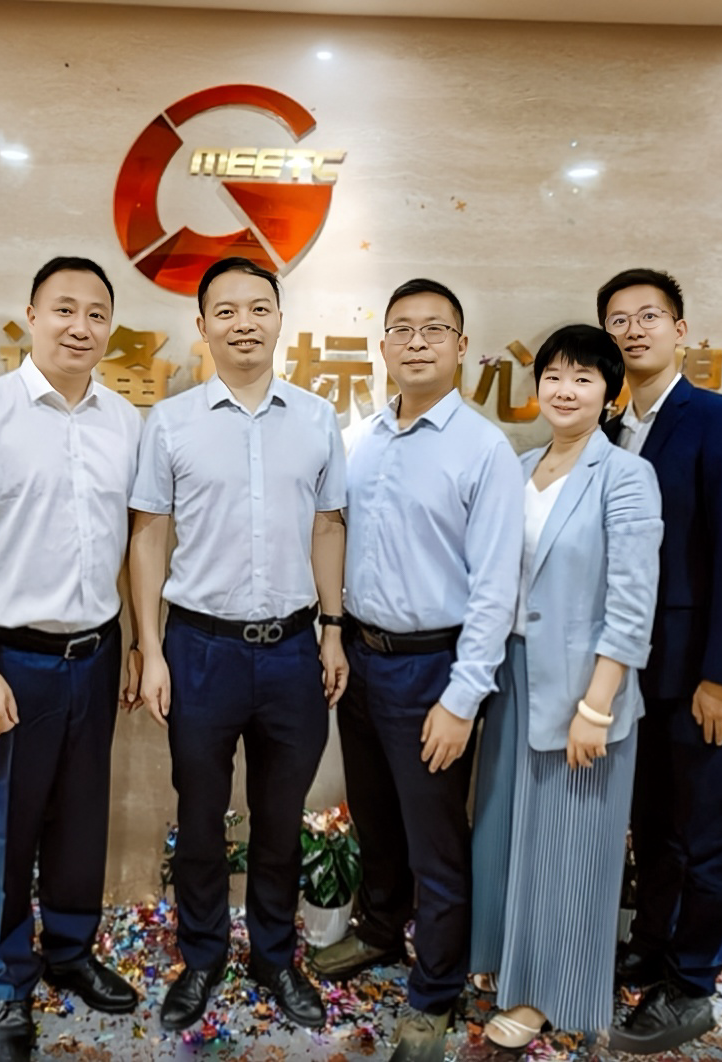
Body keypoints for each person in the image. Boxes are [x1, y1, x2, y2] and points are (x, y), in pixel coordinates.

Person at [0, 257, 143, 1062]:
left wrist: (135, 645)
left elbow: (134, 544)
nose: (80, 327)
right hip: (12, 658)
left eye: (96, 313)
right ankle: (11, 981)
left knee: (82, 819)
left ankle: (72, 952)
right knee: (8, 830)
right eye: (63, 309)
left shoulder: (125, 421)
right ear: (31, 316)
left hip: (96, 652)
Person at [128, 257, 348, 1034]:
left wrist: (331, 630)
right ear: (202, 326)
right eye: (225, 311)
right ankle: (202, 956)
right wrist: (149, 649)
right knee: (199, 816)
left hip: (291, 650)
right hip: (199, 649)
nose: (243, 323)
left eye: (259, 308)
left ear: (279, 319)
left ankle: (274, 957)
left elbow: (328, 527)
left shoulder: (316, 418)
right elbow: (147, 536)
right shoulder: (171, 422)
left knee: (280, 819)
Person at [308, 279, 521, 1062]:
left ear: (461, 347)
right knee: (375, 817)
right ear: (383, 346)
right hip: (361, 659)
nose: (417, 342)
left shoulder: (483, 450)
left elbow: (496, 588)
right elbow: (330, 536)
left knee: (435, 839)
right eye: (401, 329)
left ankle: (434, 991)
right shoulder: (357, 438)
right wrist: (334, 635)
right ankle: (377, 931)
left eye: (435, 329)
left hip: (435, 667)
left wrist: (462, 699)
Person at [468, 324, 663, 1050]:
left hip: (585, 689)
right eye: (553, 375)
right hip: (511, 677)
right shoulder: (519, 467)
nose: (564, 389)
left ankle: (547, 994)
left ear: (609, 393)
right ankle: (505, 961)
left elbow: (632, 603)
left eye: (583, 378)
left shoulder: (626, 476)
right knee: (505, 832)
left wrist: (597, 705)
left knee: (569, 848)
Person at [598, 269, 722, 1055]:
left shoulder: (720, 420)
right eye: (618, 320)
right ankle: (651, 947)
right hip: (632, 672)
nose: (633, 330)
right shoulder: (608, 431)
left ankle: (692, 982)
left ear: (680, 330)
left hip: (700, 671)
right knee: (652, 827)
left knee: (704, 833)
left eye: (648, 316)